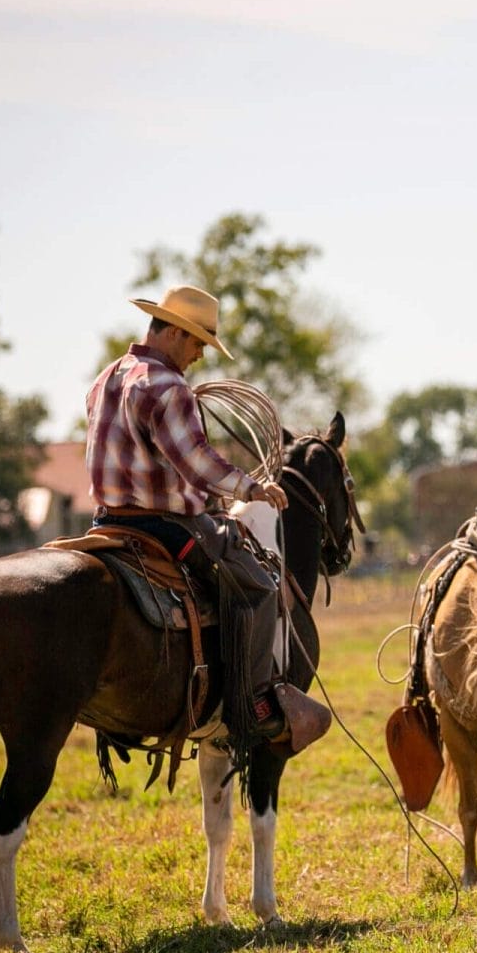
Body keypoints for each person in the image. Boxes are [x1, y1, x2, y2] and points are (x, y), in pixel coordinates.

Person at [85, 284, 319, 758]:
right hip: (163, 525)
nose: (197, 356)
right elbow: (196, 461)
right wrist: (252, 489)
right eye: (196, 343)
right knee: (259, 585)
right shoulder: (168, 387)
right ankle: (253, 704)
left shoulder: (107, 377)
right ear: (172, 332)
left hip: (105, 522)